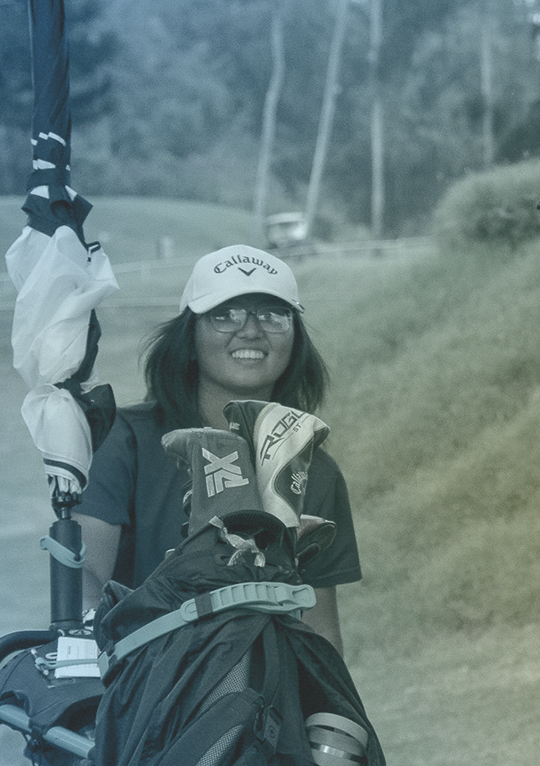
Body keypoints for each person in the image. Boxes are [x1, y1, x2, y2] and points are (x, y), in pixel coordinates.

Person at [78, 244, 360, 655]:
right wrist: (93, 654)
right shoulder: (125, 439)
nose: (251, 330)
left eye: (273, 314)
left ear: (295, 338)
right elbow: (86, 573)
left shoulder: (315, 469)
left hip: (265, 688)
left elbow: (319, 628)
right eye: (225, 314)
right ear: (190, 337)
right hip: (140, 677)